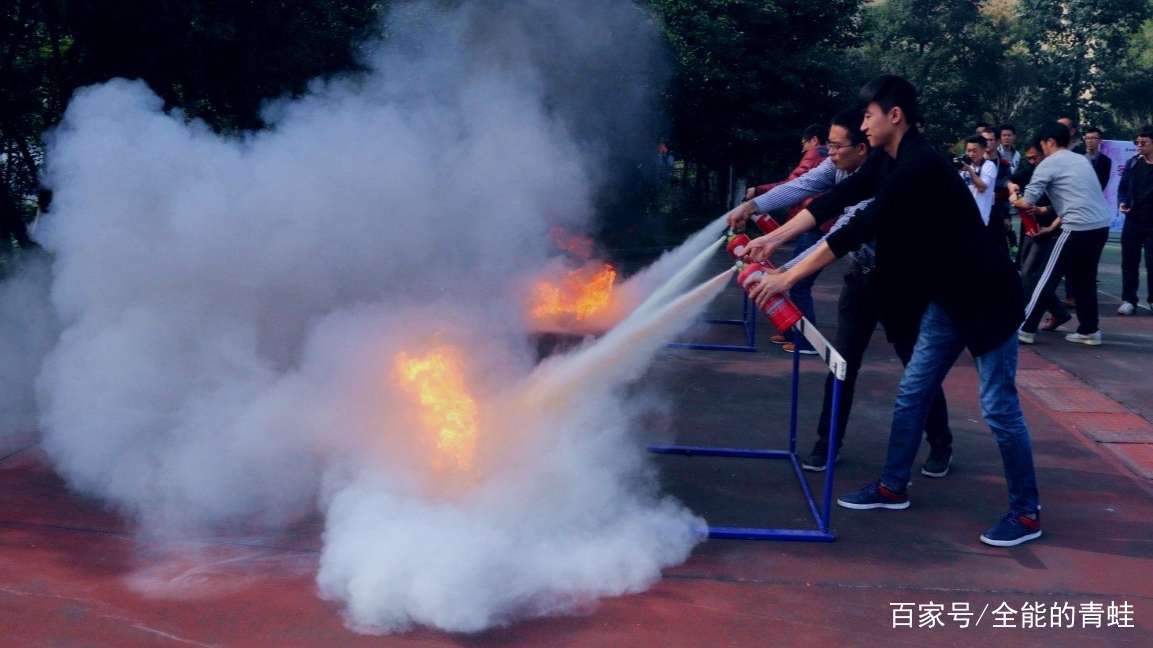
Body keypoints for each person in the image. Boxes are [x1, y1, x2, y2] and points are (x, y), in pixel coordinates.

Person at [744, 75, 1041, 547]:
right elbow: (835, 200)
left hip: (988, 298)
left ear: (894, 115)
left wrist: (787, 276)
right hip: (947, 298)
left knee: (998, 408)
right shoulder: (888, 160)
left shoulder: (920, 166)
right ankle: (892, 486)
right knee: (912, 392)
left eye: (868, 115)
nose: (862, 124)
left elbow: (860, 226)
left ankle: (1026, 513)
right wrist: (772, 239)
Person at [738, 112, 954, 474]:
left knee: (915, 367)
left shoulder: (888, 178)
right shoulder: (836, 167)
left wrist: (788, 271)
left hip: (901, 286)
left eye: (837, 146)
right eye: (828, 145)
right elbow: (803, 189)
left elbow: (840, 235)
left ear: (862, 147)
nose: (830, 153)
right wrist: (756, 207)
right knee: (842, 364)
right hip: (860, 281)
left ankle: (940, 443)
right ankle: (828, 443)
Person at [1014, 123, 1112, 346]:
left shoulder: (1049, 163)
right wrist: (1053, 226)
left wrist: (1012, 195)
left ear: (1049, 141)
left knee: (1045, 277)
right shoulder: (1080, 160)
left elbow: (1027, 201)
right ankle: (1089, 330)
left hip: (1077, 228)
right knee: (1084, 279)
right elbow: (1076, 198)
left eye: (1042, 145)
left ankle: (1025, 328)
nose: (1041, 151)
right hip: (1099, 227)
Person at [740, 124, 829, 354]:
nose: (803, 148)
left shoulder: (817, 155)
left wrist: (758, 192)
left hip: (818, 226)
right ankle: (793, 332)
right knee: (793, 277)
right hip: (817, 224)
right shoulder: (826, 157)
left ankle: (807, 342)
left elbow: (794, 184)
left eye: (804, 142)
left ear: (814, 140)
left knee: (799, 283)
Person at [1012, 144, 1072, 332]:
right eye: (1028, 158)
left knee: (1030, 274)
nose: (1032, 162)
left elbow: (1068, 203)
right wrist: (1012, 187)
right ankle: (1059, 311)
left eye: (1035, 158)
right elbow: (1011, 179)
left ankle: (1023, 319)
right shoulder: (1029, 171)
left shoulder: (1059, 174)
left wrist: (1044, 210)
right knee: (1027, 273)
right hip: (1030, 228)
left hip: (1050, 230)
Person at [1117, 126, 1153, 315]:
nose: (1139, 146)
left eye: (1144, 143)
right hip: (1132, 222)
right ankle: (1128, 299)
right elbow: (1122, 188)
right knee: (1129, 262)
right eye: (1137, 143)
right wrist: (1122, 202)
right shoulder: (1132, 163)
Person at [960, 136, 998, 226]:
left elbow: (982, 188)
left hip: (979, 216)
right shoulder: (963, 165)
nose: (971, 154)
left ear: (984, 149)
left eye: (974, 150)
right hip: (962, 214)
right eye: (968, 151)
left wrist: (969, 169)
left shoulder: (989, 165)